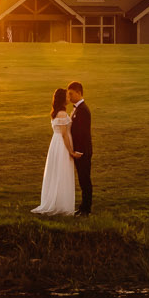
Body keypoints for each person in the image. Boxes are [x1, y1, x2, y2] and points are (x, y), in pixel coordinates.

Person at [32, 87, 78, 216]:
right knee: (62, 172)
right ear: (63, 99)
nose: (69, 98)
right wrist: (71, 151)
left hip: (55, 144)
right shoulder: (62, 114)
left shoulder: (56, 112)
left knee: (57, 172)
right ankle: (61, 204)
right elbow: (64, 134)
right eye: (67, 96)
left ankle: (58, 201)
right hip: (62, 145)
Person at [67, 81, 93, 216]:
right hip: (79, 151)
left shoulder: (83, 110)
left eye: (71, 94)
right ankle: (83, 207)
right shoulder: (77, 108)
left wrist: (80, 151)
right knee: (82, 180)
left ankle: (86, 209)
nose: (69, 96)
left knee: (85, 180)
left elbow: (83, 133)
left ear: (79, 93)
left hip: (83, 152)